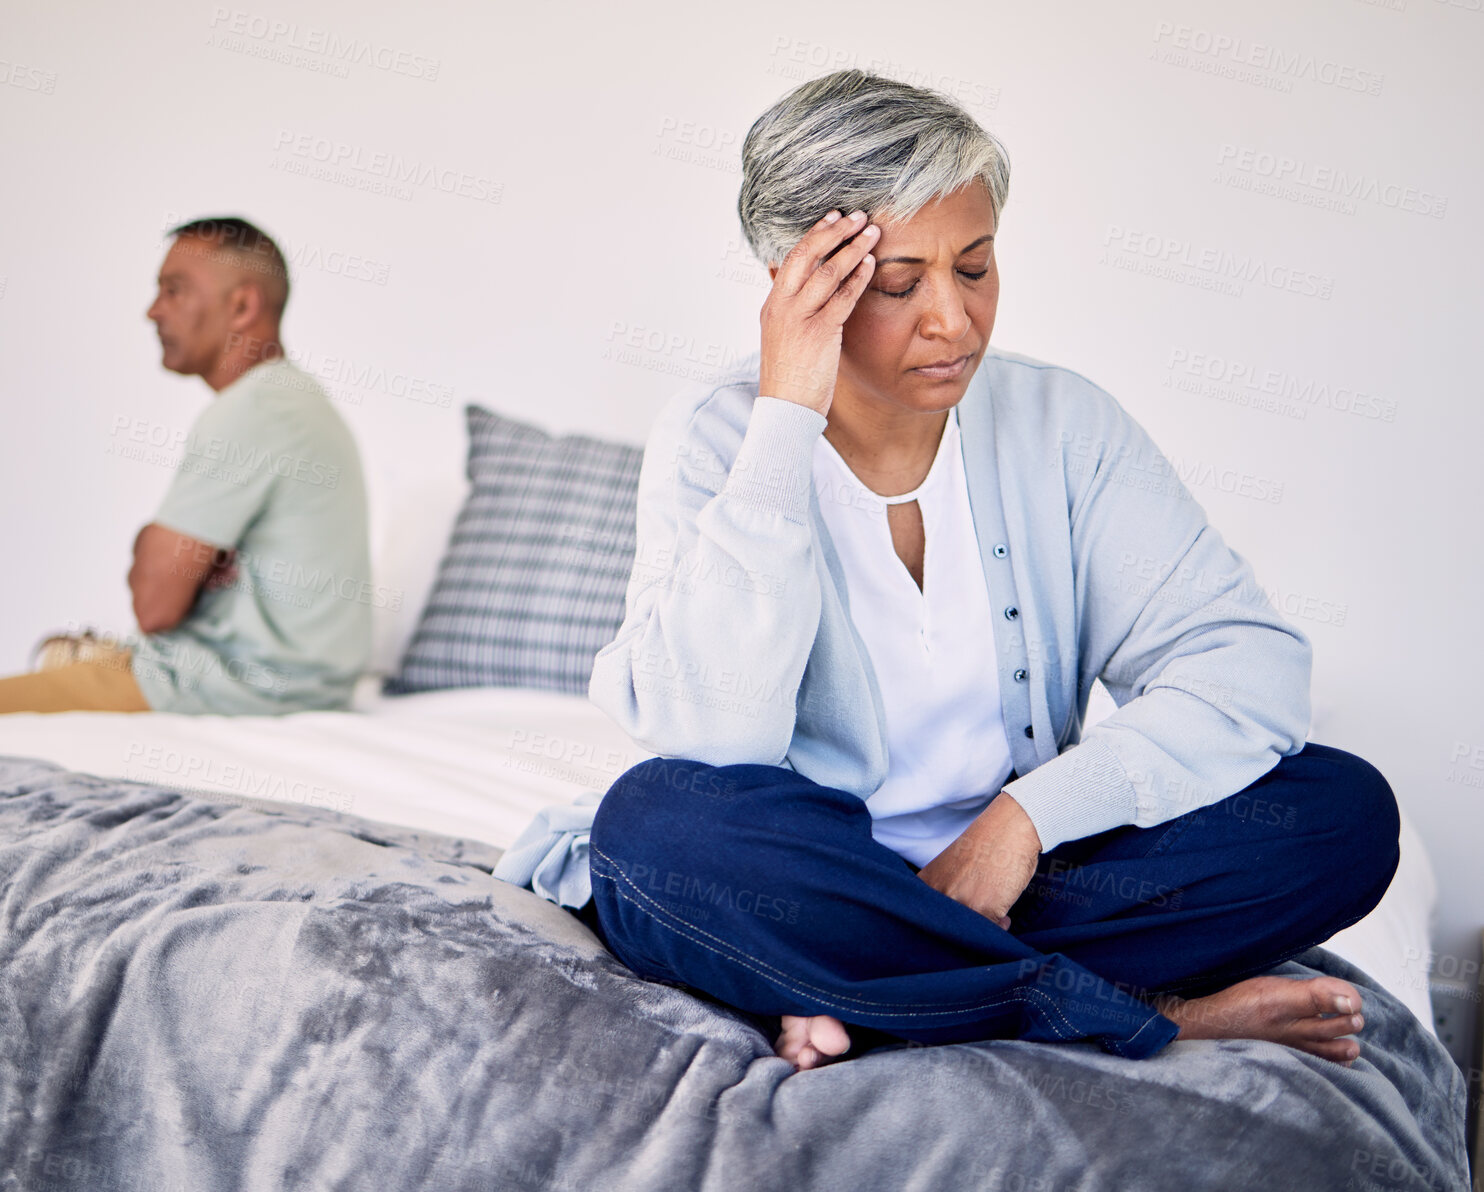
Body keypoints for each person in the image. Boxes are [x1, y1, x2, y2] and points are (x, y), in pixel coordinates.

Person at [492, 71, 1399, 1071]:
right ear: (803, 281)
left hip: (1026, 879)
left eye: (973, 268)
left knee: (1340, 814)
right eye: (898, 283)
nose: (953, 321)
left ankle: (863, 991)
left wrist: (1022, 821)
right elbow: (717, 734)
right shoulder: (718, 438)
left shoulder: (1062, 427)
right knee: (655, 828)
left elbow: (1247, 670)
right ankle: (1129, 1013)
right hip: (804, 880)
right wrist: (786, 414)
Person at [0, 217, 375, 718]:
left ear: (242, 306)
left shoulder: (253, 409)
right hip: (301, 689)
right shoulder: (298, 401)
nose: (153, 311)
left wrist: (160, 549)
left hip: (224, 689)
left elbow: (154, 605)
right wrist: (189, 560)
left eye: (175, 291)